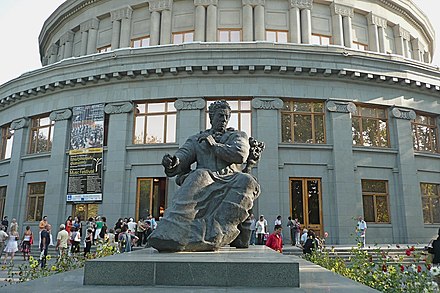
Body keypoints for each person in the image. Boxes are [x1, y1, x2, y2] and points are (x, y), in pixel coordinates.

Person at [148, 100, 264, 252]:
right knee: (199, 176)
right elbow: (183, 156)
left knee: (247, 180)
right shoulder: (197, 139)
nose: (224, 119)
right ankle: (173, 230)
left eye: (226, 117)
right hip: (205, 177)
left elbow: (240, 154)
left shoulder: (237, 135)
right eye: (220, 116)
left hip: (231, 178)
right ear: (211, 118)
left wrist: (214, 146)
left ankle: (219, 230)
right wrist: (173, 162)